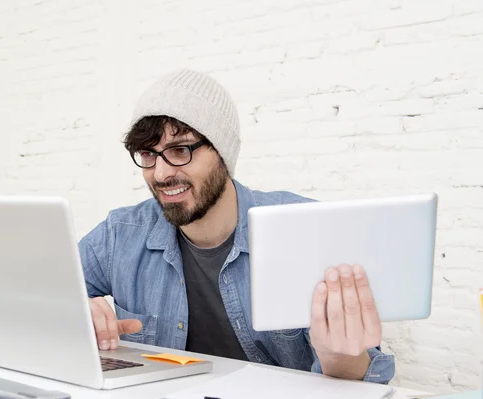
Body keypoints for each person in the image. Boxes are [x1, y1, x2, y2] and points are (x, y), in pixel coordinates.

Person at [78, 69, 395, 383]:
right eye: (149, 154)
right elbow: (34, 299)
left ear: (222, 152)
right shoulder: (120, 235)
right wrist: (74, 312)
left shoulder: (307, 230)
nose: (160, 174)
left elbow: (358, 379)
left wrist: (340, 357)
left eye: (180, 150)